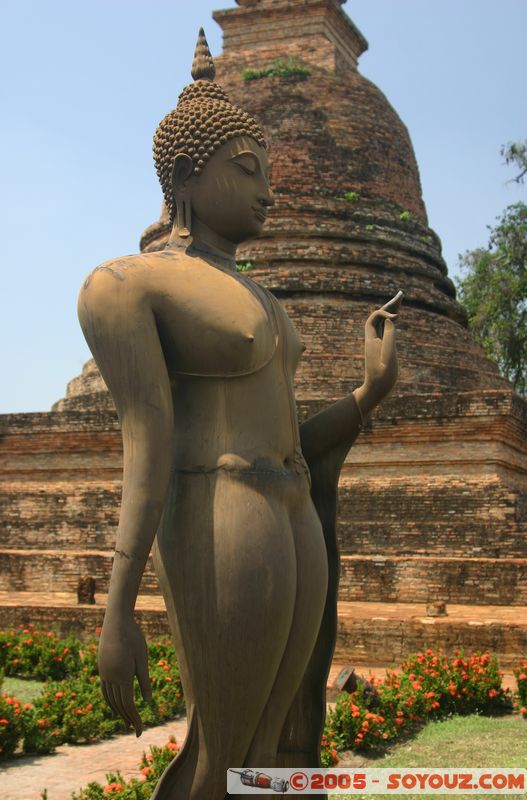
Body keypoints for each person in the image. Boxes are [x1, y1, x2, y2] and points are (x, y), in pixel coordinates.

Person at [78, 29, 402, 800]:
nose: (267, 190)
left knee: (279, 743)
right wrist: (117, 610)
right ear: (189, 171)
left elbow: (291, 437)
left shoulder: (258, 294)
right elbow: (145, 443)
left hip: (291, 512)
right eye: (246, 169)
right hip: (224, 513)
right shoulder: (127, 284)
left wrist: (367, 393)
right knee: (222, 750)